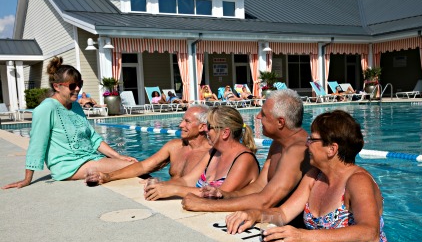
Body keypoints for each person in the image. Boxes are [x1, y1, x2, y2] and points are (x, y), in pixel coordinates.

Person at [225, 110, 395, 242]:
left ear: (331, 149)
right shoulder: (315, 176)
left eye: (312, 140)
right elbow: (283, 214)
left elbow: (369, 233)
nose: (307, 144)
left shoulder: (358, 181)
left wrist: (305, 237)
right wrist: (254, 214)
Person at [2, 56, 137, 189]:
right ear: (57, 86)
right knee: (135, 167)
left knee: (132, 162)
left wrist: (118, 156)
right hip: (68, 166)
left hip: (88, 159)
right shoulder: (46, 108)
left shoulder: (76, 106)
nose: (77, 88)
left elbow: (92, 137)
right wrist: (27, 179)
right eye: (72, 85)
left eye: (80, 84)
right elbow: (37, 144)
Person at [182, 89, 311, 223]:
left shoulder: (297, 150)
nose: (258, 117)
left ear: (280, 122)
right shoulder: (278, 144)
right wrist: (224, 194)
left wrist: (204, 205)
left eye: (264, 114)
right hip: (275, 218)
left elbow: (265, 201)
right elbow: (260, 186)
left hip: (291, 225)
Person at [144, 106, 260, 200]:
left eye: (209, 127)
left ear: (225, 132)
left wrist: (174, 190)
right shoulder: (213, 152)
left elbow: (220, 195)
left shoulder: (244, 159)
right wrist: (162, 185)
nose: (205, 130)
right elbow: (187, 180)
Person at [93, 105, 212, 184]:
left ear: (202, 127)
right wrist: (108, 177)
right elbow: (143, 166)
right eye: (182, 120)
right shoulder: (175, 146)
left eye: (187, 122)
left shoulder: (211, 153)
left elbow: (193, 184)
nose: (181, 125)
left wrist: (161, 184)